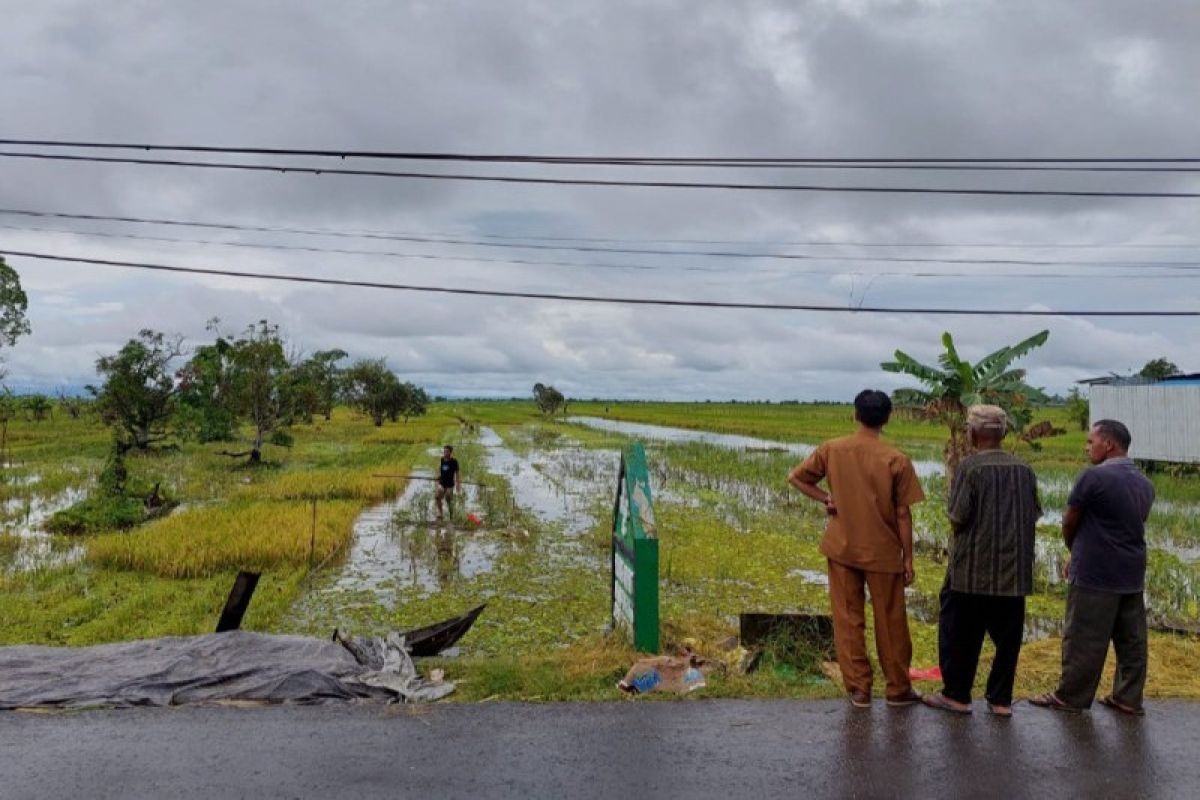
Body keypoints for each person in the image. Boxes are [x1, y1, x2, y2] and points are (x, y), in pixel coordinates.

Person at [789, 389, 926, 708]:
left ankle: (860, 689)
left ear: (855, 414)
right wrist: (908, 558)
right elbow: (903, 513)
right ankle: (897, 689)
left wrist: (826, 497)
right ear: (887, 418)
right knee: (891, 621)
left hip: (842, 548)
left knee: (848, 619)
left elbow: (796, 478)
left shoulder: (832, 449)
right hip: (883, 552)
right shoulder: (896, 459)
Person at [922, 405, 1041, 717]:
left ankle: (957, 695)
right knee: (1008, 640)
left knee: (958, 633)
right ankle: (1001, 701)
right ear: (1002, 433)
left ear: (972, 433)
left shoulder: (970, 468)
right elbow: (1035, 514)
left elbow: (958, 516)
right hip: (1014, 573)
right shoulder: (1024, 469)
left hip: (972, 572)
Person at [1030, 419, 1155, 715]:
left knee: (1084, 637)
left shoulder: (1094, 477)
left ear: (1108, 444)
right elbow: (1131, 524)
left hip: (1096, 572)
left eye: (1090, 442)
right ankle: (1128, 697)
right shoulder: (1145, 484)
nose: (1087, 447)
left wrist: (1076, 550)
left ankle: (1070, 697)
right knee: (1132, 639)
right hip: (1132, 571)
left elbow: (1070, 519)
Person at [435, 445, 461, 522]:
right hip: (442, 483)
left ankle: (451, 515)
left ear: (450, 452)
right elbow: (441, 469)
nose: (445, 453)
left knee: (448, 499)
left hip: (450, 484)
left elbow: (457, 473)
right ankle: (440, 513)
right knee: (437, 496)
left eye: (446, 451)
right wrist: (438, 476)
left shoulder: (454, 461)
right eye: (444, 451)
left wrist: (458, 484)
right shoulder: (442, 460)